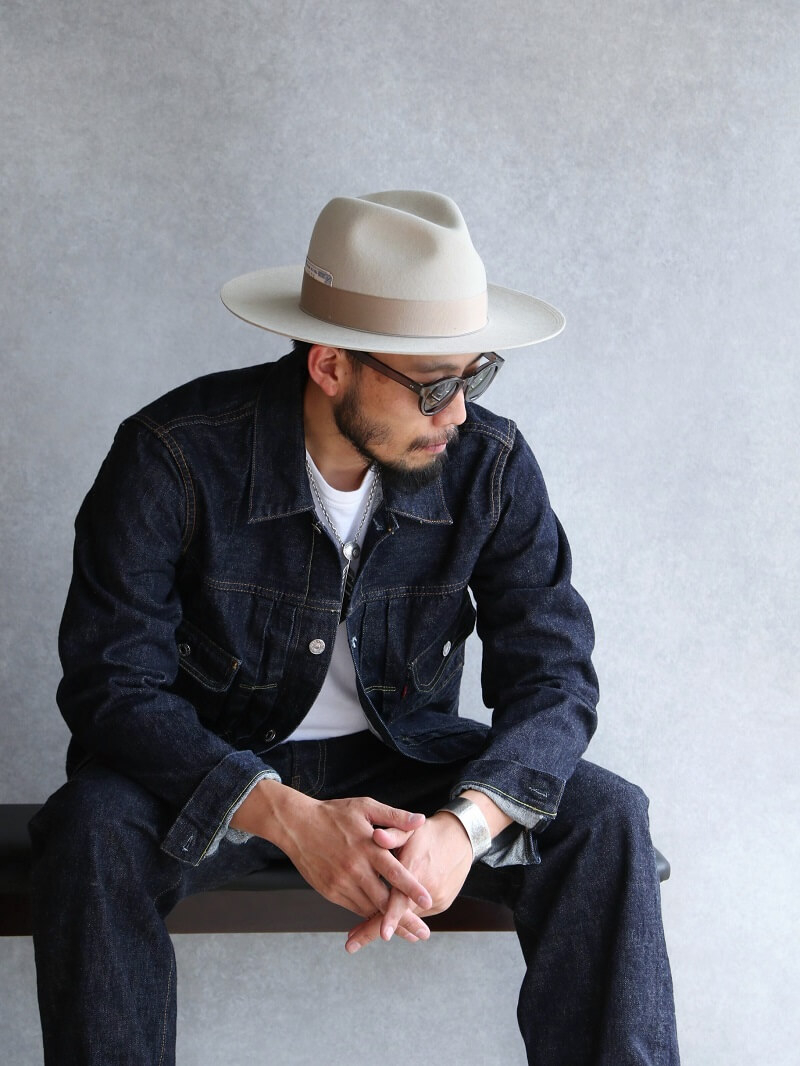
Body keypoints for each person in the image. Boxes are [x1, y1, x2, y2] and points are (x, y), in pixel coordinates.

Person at [29, 189, 679, 1065]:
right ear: (330, 365)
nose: (457, 413)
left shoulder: (490, 466)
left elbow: (555, 675)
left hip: (404, 756)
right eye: (434, 385)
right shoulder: (173, 456)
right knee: (90, 830)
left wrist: (464, 829)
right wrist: (287, 816)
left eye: (475, 375)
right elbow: (111, 685)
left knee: (609, 819)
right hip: (211, 759)